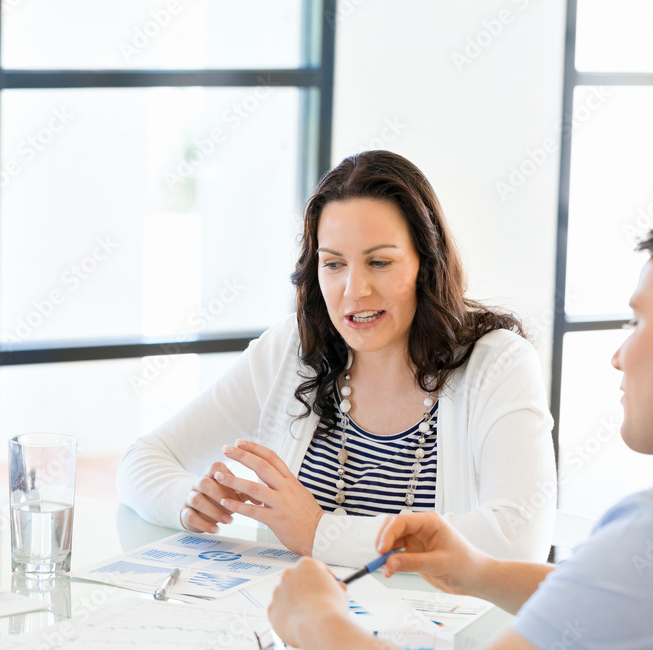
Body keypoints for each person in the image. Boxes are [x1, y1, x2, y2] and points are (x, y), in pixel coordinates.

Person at [268, 211, 653, 650]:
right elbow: (634, 596)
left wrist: (317, 620)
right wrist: (482, 572)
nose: (619, 355)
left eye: (638, 320)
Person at [118, 150, 556, 566]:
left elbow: (518, 542)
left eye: (379, 262)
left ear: (427, 262)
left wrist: (319, 534)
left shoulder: (498, 363)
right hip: (297, 632)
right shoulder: (293, 350)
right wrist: (187, 500)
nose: (354, 290)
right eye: (333, 264)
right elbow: (142, 459)